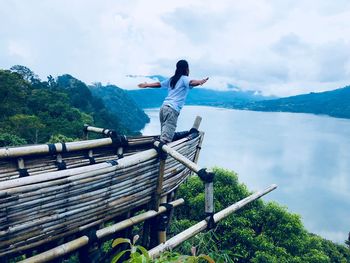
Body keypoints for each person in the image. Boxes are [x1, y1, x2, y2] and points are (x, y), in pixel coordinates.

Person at [138, 60, 209, 143]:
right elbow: (192, 82)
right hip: (172, 110)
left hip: (163, 108)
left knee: (164, 135)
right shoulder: (184, 79)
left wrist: (147, 85)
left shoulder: (173, 79)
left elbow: (159, 84)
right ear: (186, 69)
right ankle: (161, 155)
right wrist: (200, 82)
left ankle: (160, 152)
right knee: (166, 140)